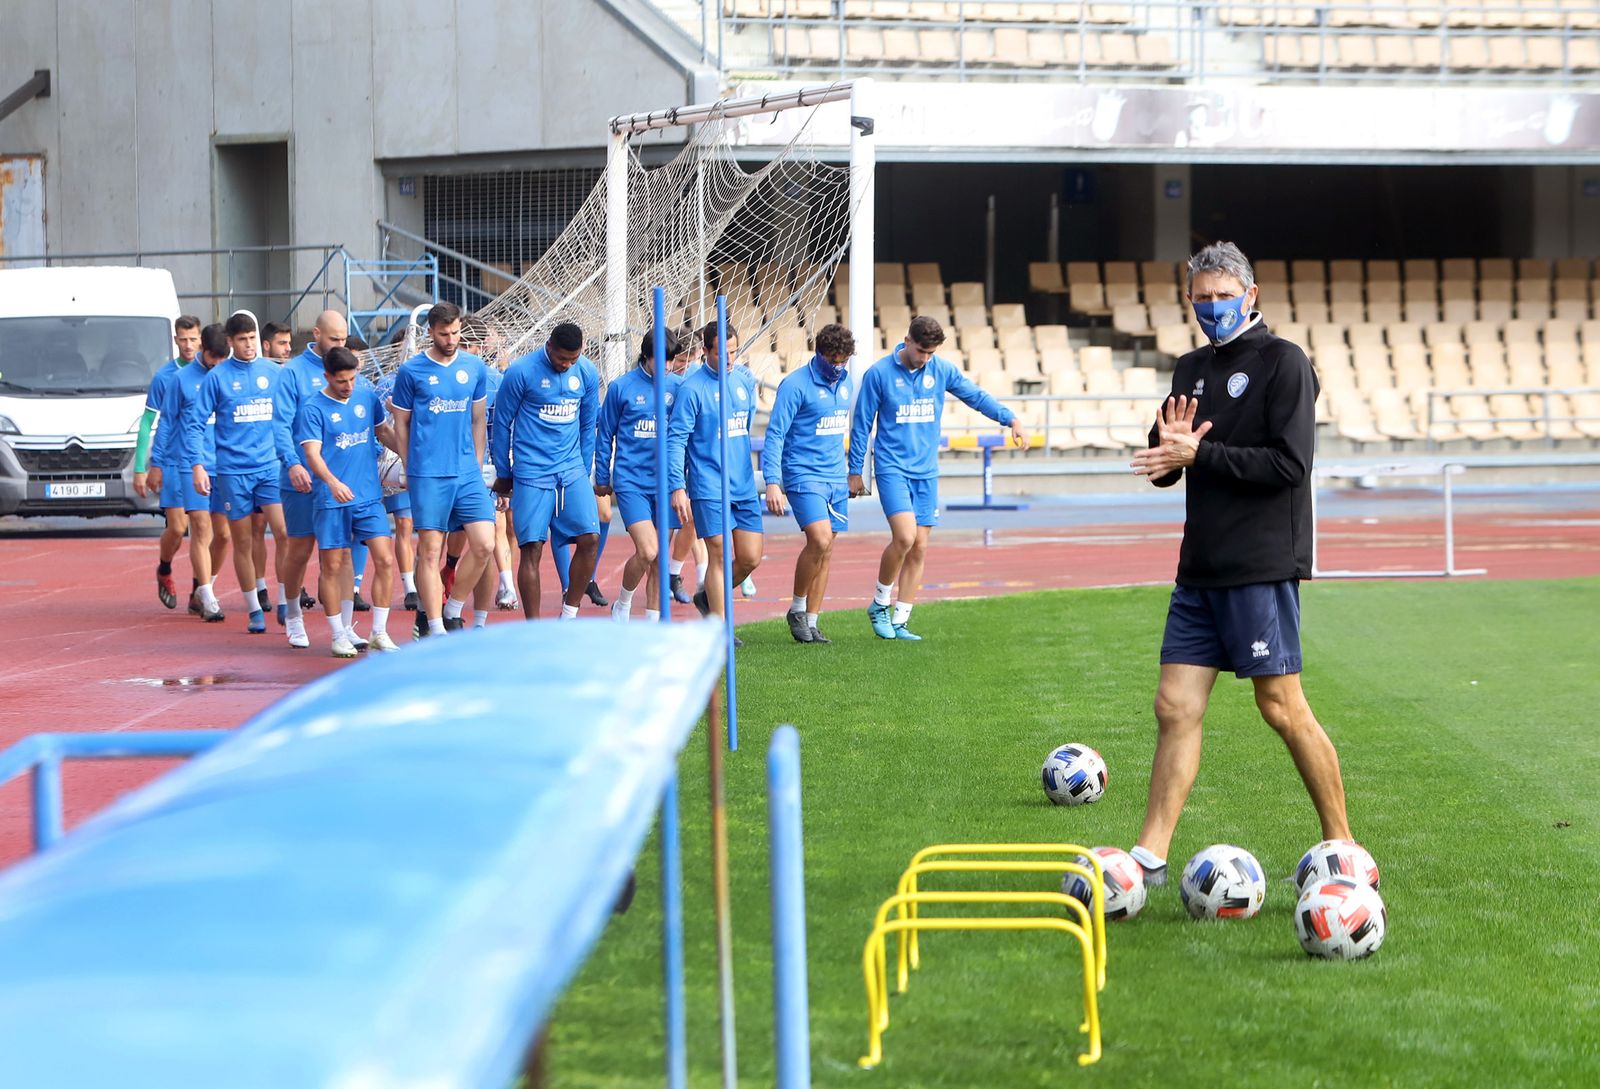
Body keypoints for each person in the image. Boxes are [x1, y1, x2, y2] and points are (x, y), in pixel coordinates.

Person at [1126, 240, 1351, 887]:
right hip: (1200, 565)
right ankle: (1150, 855)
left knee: (1281, 706)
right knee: (1174, 706)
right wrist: (1167, 455)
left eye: (1226, 297)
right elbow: (1175, 461)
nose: (1214, 307)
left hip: (1260, 561)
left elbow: (1289, 465)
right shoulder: (1189, 366)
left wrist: (1202, 457)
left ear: (1252, 296)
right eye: (1204, 297)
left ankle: (1342, 844)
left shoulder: (1284, 363)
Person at [848, 315, 1026, 641]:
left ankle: (901, 620)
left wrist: (1010, 418)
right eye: (920, 351)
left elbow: (975, 395)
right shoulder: (879, 374)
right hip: (893, 468)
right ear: (906, 341)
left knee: (920, 546)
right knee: (904, 537)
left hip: (926, 471)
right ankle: (878, 604)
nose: (925, 358)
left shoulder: (940, 370)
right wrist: (855, 470)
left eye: (930, 353)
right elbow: (862, 423)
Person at [387, 302, 497, 636]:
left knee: (484, 545)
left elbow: (479, 419)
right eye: (444, 333)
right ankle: (433, 626)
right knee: (430, 550)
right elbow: (401, 423)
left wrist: (476, 464)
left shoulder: (474, 368)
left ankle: (453, 608)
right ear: (431, 332)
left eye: (455, 332)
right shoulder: (412, 371)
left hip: (466, 472)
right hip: (428, 473)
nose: (451, 339)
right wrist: (408, 464)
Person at [183, 312, 287, 633]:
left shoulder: (274, 372)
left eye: (252, 338)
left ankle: (285, 600)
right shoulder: (217, 378)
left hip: (271, 468)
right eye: (242, 340)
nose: (249, 345)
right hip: (233, 473)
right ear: (230, 342)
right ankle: (254, 608)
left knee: (284, 533)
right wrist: (198, 465)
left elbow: (293, 413)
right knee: (240, 541)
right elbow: (195, 423)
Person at [491, 322, 602, 620]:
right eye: (561, 359)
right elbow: (502, 424)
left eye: (572, 360)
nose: (566, 365)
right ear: (549, 346)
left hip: (571, 471)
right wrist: (504, 472)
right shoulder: (521, 372)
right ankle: (534, 627)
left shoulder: (588, 373)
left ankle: (569, 615)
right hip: (532, 473)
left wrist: (584, 466)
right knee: (532, 548)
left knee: (591, 539)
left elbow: (589, 425)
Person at [296, 346, 401, 656]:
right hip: (332, 498)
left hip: (368, 495)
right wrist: (332, 482)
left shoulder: (366, 397)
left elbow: (383, 431)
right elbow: (312, 454)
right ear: (327, 376)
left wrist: (409, 456)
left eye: (353, 379)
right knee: (334, 565)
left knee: (384, 558)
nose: (349, 386)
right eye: (342, 381)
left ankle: (379, 631)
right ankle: (338, 632)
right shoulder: (314, 408)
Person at [667, 321, 762, 646]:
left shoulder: (743, 381)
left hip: (743, 484)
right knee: (718, 553)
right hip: (708, 485)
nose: (730, 359)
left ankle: (708, 596)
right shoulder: (693, 389)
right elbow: (676, 439)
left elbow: (745, 425)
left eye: (734, 352)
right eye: (723, 353)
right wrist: (678, 486)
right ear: (706, 351)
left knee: (750, 557)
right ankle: (721, 627)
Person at [761, 323, 854, 645]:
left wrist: (853, 473)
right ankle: (797, 609)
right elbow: (775, 434)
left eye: (844, 360)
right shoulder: (795, 385)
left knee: (828, 549)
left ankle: (812, 622)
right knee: (820, 539)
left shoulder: (846, 383)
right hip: (803, 474)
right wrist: (773, 481)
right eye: (834, 360)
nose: (839, 366)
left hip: (835, 477)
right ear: (820, 354)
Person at [596, 327, 684, 622]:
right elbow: (604, 434)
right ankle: (622, 603)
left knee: (660, 560)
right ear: (646, 356)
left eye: (672, 360)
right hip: (632, 481)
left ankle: (652, 625)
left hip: (666, 484)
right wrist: (601, 476)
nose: (668, 367)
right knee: (647, 550)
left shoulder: (678, 388)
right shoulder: (621, 388)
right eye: (663, 360)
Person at [271, 310, 348, 648]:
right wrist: (292, 463)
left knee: (342, 552)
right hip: (301, 480)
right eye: (334, 339)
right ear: (317, 334)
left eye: (344, 339)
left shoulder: (347, 368)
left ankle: (345, 625)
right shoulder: (293, 374)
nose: (339, 346)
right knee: (299, 549)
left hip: (338, 478)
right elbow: (280, 424)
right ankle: (292, 613)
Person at [162, 322, 232, 622]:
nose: (218, 364)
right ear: (203, 349)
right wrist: (157, 464)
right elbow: (166, 421)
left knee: (225, 535)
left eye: (222, 358)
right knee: (200, 528)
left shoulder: (230, 374)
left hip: (226, 463)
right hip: (191, 463)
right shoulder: (180, 379)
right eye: (214, 357)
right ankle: (208, 595)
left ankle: (201, 589)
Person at [133, 314, 201, 609]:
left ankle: (201, 590)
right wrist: (141, 467)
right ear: (175, 340)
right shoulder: (164, 377)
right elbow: (148, 422)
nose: (188, 345)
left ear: (200, 339)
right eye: (183, 340)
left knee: (206, 528)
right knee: (177, 527)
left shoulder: (212, 371)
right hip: (173, 460)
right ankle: (164, 568)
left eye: (193, 339)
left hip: (204, 460)